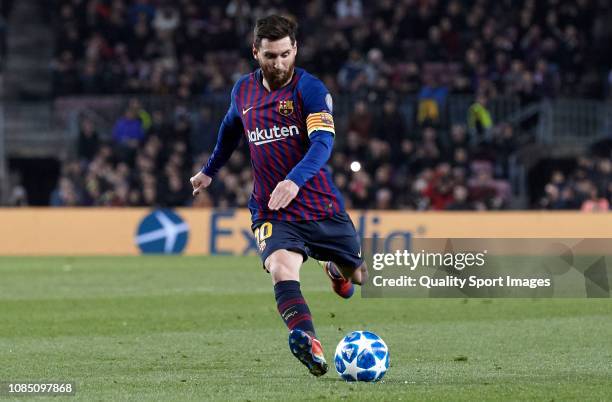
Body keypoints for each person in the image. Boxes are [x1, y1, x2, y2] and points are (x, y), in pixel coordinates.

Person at [189, 15, 366, 377]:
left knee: (358, 278)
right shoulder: (243, 91)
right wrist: (210, 170)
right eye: (271, 56)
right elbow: (229, 131)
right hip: (273, 209)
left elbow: (323, 142)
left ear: (295, 49)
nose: (279, 63)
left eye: (286, 54)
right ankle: (309, 342)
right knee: (281, 269)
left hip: (319, 204)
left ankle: (334, 267)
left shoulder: (310, 89)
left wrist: (295, 180)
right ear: (255, 52)